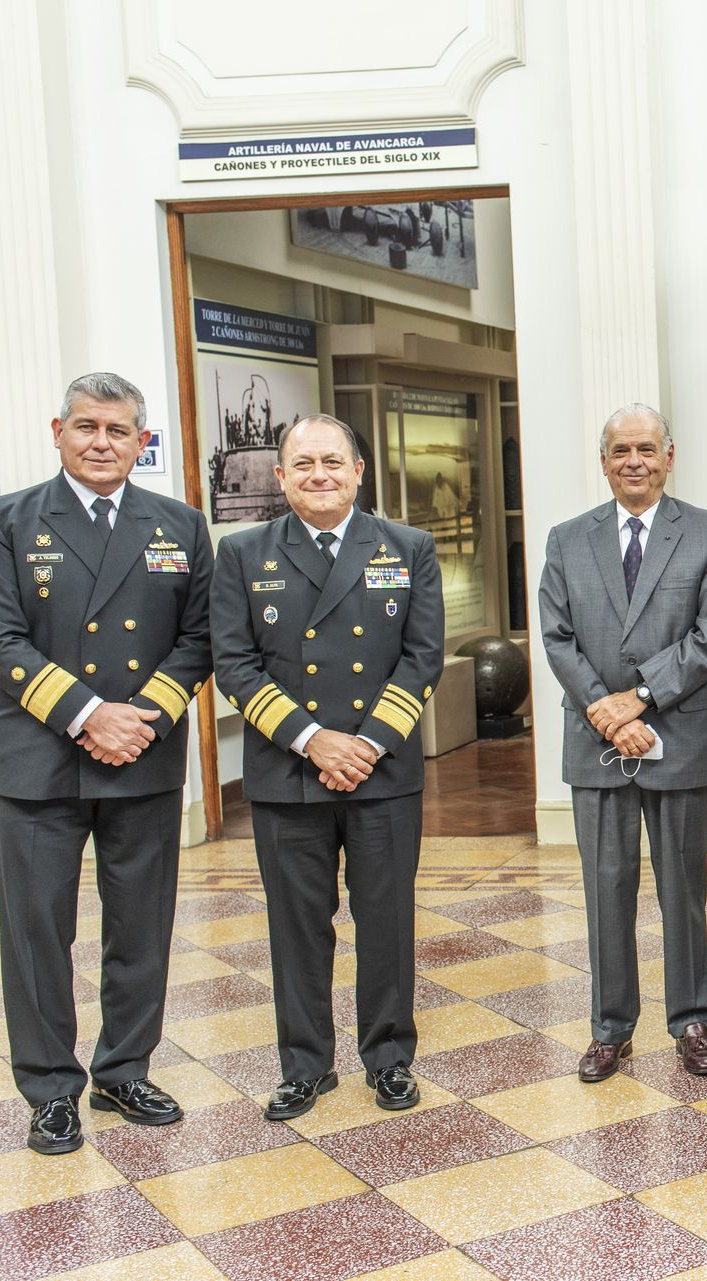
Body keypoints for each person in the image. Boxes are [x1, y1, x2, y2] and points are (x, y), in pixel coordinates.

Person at [0, 372, 212, 1154]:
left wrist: (140, 719)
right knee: (37, 931)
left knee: (141, 926)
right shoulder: (4, 521)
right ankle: (49, 1090)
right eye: (86, 427)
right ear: (58, 432)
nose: (101, 442)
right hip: (39, 761)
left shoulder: (180, 525)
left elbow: (200, 638)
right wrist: (88, 715)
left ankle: (124, 1069)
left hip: (142, 754)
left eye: (117, 430)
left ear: (143, 441)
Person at [211, 414, 443, 1121]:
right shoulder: (243, 553)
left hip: (382, 770)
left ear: (358, 471)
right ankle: (304, 1065)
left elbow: (422, 656)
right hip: (289, 773)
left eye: (334, 462)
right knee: (296, 927)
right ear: (281, 477)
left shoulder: (408, 547)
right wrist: (313, 740)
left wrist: (366, 744)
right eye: (305, 464)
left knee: (386, 921)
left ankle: (389, 1058)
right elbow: (235, 664)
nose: (320, 475)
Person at [538, 404, 707, 1083]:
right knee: (606, 890)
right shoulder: (567, 540)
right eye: (621, 450)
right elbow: (557, 637)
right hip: (597, 741)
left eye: (647, 449)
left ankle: (692, 1021)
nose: (634, 461)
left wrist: (642, 696)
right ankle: (609, 1029)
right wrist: (609, 712)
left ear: (669, 457)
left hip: (679, 735)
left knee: (683, 891)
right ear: (603, 461)